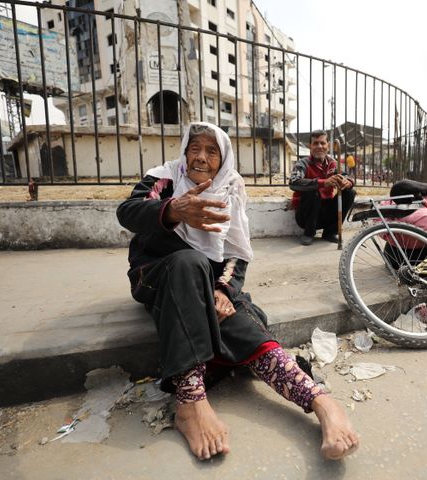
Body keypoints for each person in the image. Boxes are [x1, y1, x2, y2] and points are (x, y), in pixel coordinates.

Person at [116, 122, 359, 461]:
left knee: (237, 316)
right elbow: (127, 211)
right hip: (157, 276)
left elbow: (236, 253)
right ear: (185, 151)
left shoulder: (231, 187)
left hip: (206, 284)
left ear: (223, 157)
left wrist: (224, 291)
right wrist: (172, 210)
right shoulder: (165, 177)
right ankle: (190, 402)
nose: (201, 157)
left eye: (211, 151)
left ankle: (320, 400)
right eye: (195, 148)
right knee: (188, 262)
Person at [290, 130, 356, 246]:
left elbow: (347, 177)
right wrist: (322, 183)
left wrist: (348, 182)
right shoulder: (302, 163)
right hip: (306, 216)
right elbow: (293, 182)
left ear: (327, 146)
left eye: (322, 143)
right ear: (310, 146)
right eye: (315, 143)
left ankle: (330, 232)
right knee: (313, 191)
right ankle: (309, 233)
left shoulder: (333, 163)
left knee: (350, 192)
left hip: (325, 212)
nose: (319, 146)